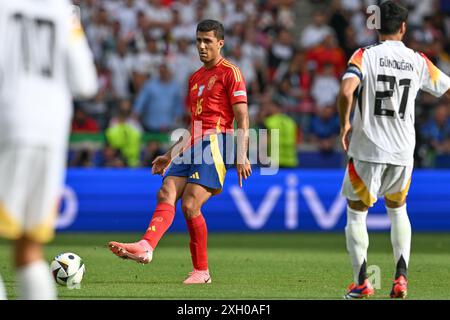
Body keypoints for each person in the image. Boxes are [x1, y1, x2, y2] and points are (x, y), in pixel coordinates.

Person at [108, 19, 252, 284]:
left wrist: (241, 154)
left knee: (190, 204)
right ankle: (146, 246)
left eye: (207, 41)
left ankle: (202, 271)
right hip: (193, 143)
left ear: (220, 43)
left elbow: (242, 116)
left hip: (217, 143)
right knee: (166, 191)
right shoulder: (195, 78)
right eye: (198, 40)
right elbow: (193, 124)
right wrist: (170, 154)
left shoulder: (231, 72)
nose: (201, 46)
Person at [337, 1, 450, 299]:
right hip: (403, 151)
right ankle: (401, 278)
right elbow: (447, 88)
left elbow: (347, 90)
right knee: (398, 209)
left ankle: (362, 282)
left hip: (367, 150)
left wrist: (345, 123)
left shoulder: (364, 56)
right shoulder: (417, 60)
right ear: (403, 27)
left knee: (356, 213)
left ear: (376, 25)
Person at [0, 0, 97, 300]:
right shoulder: (64, 10)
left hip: (9, 120)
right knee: (29, 248)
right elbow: (86, 83)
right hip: (52, 131)